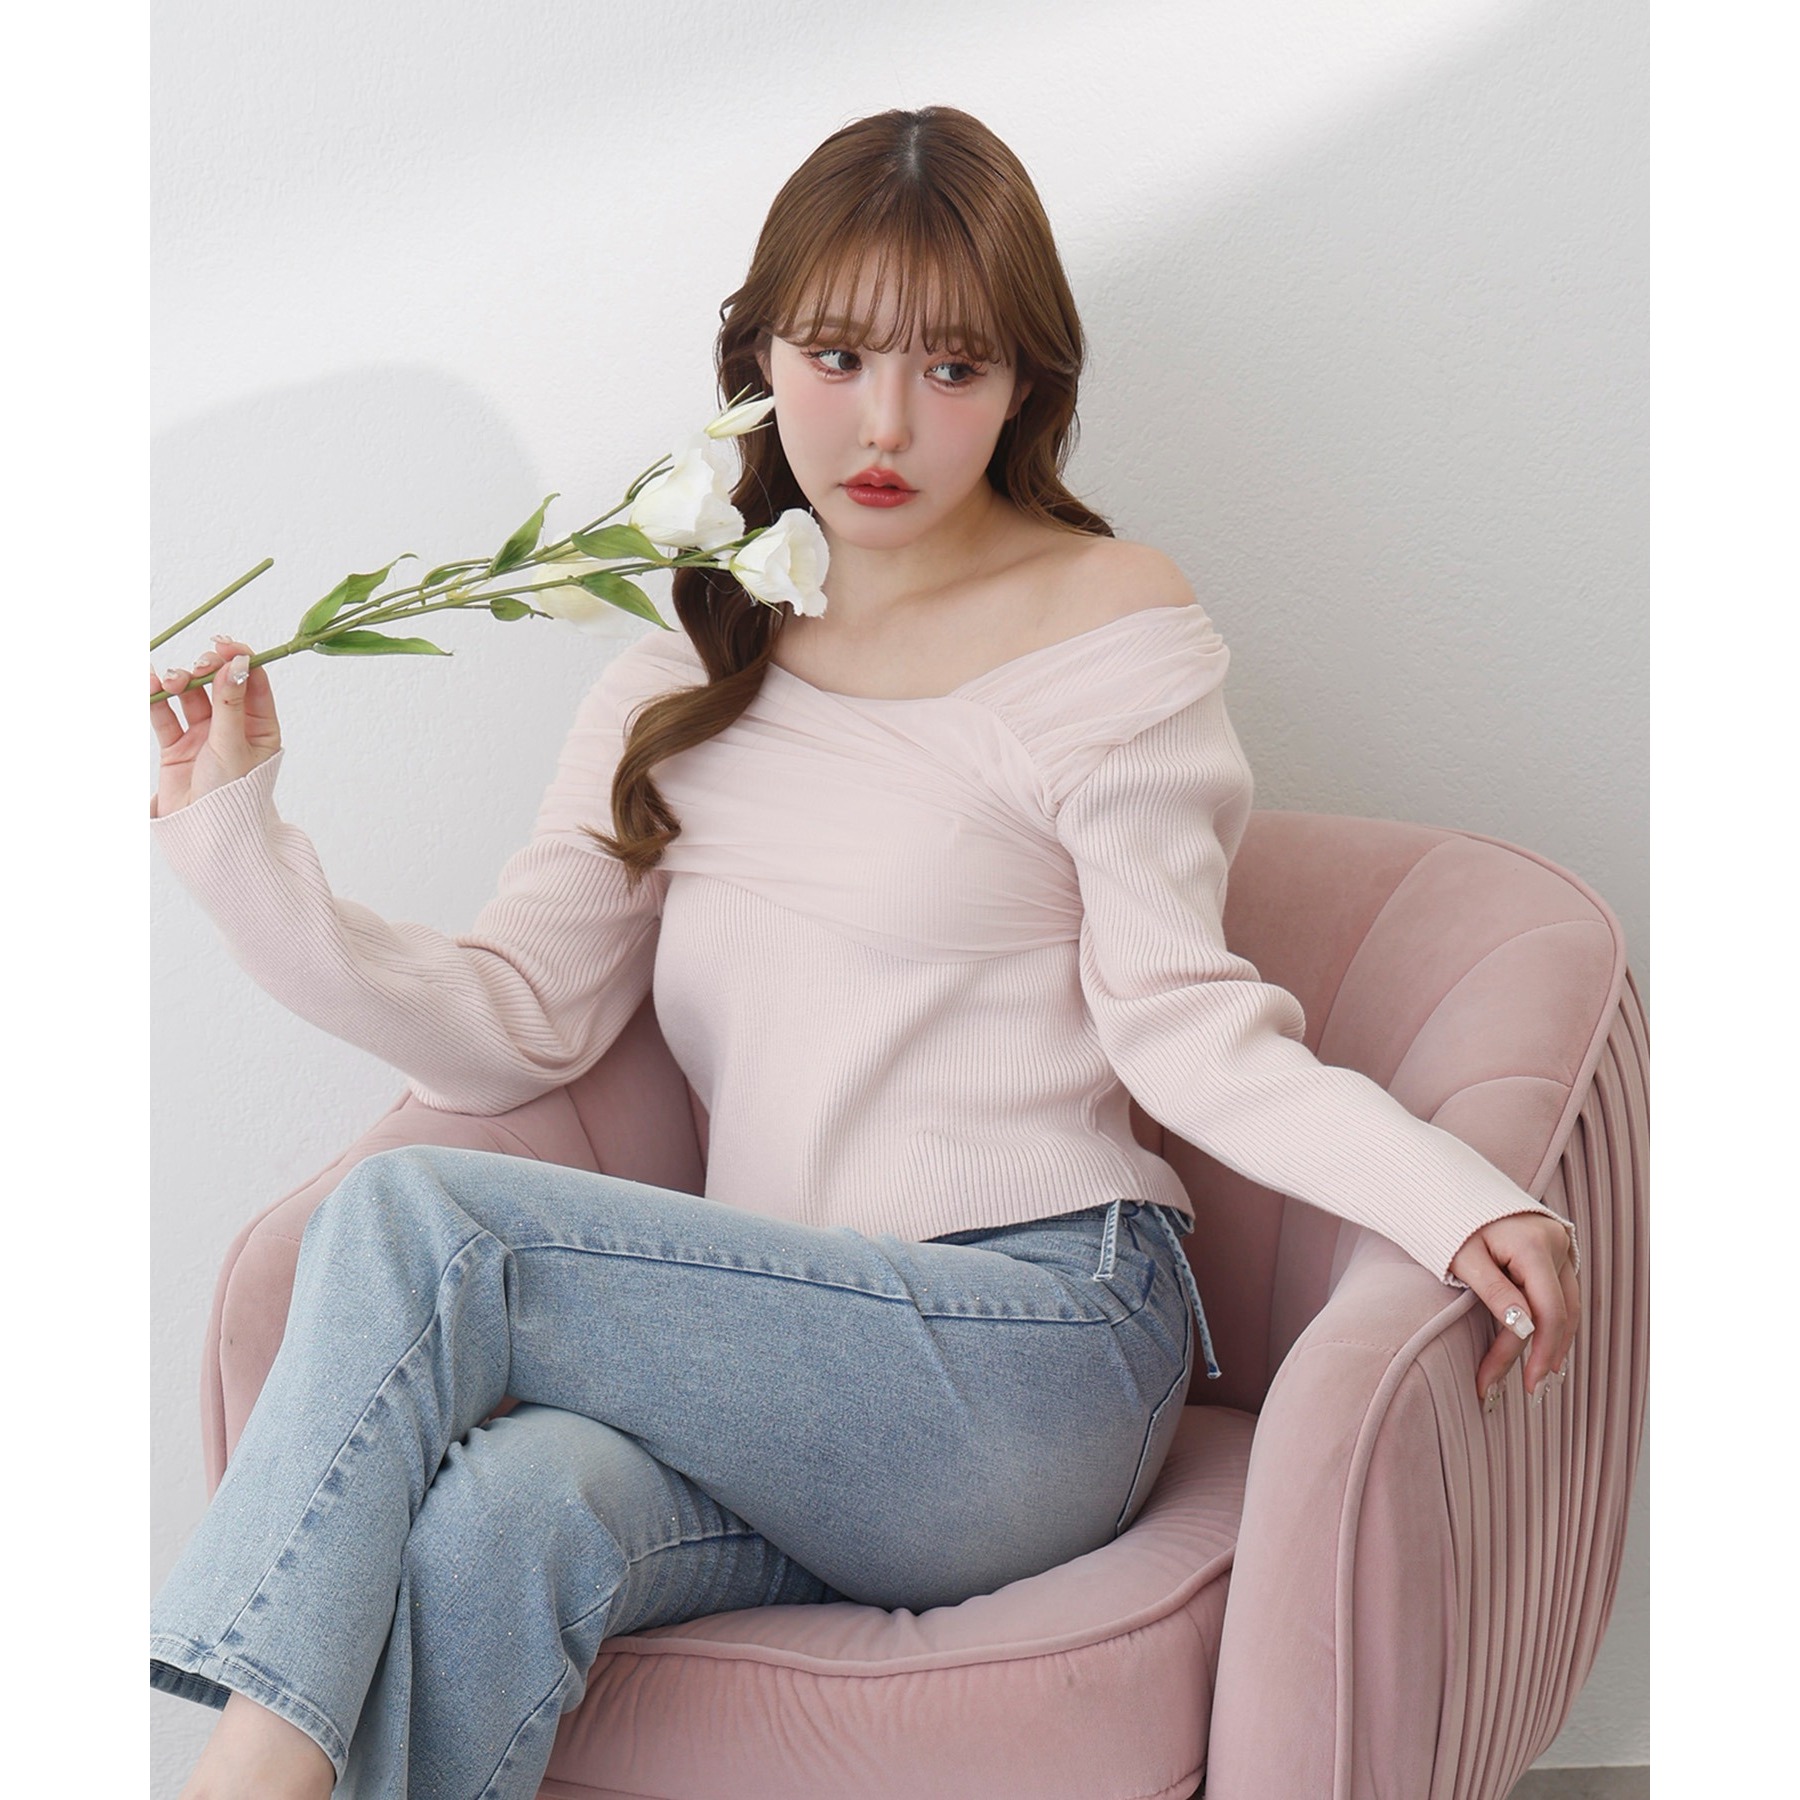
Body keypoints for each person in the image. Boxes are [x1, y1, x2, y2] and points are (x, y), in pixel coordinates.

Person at [147, 105, 1580, 1800]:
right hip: (784, 1386)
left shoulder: (1102, 620)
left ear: (1025, 387)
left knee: (418, 1221)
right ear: (757, 360)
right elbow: (510, 1022)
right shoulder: (689, 663)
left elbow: (1186, 1023)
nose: (886, 424)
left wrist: (1450, 1195)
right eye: (835, 357)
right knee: (501, 1523)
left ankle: (238, 1774)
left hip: (1037, 1350)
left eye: (952, 369)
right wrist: (236, 841)